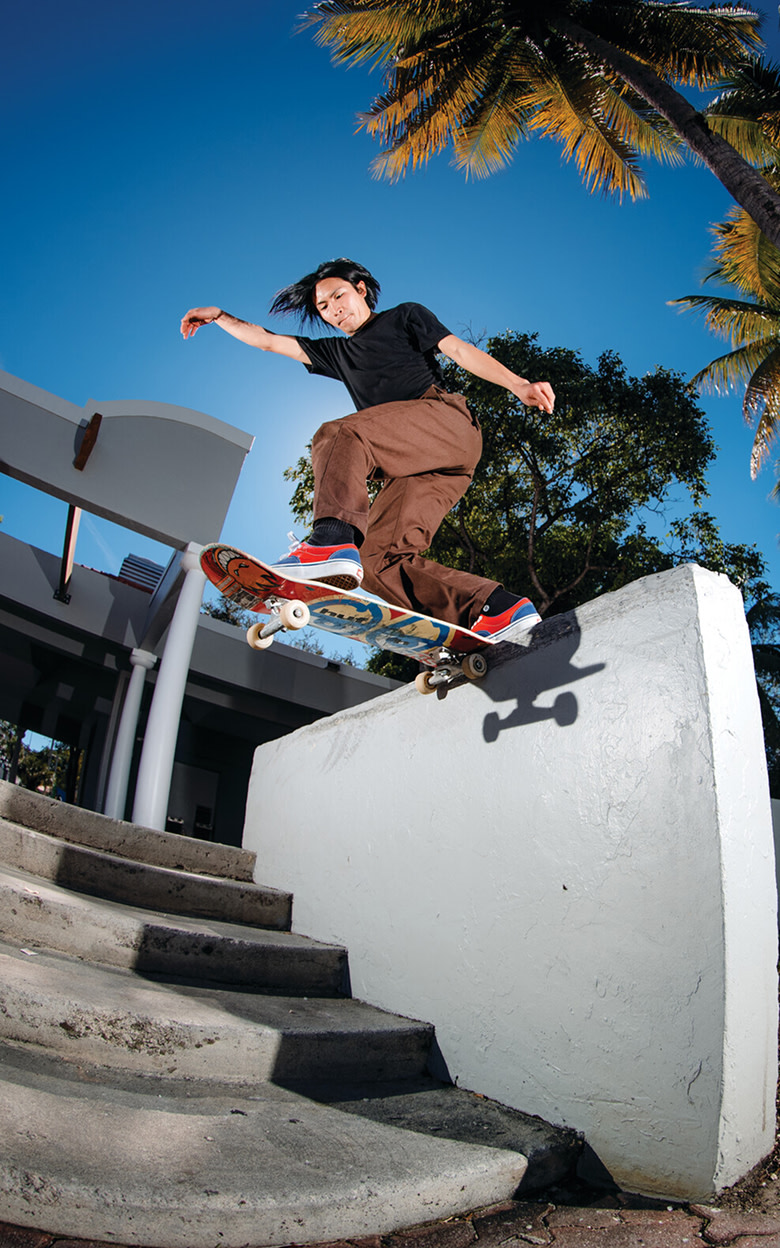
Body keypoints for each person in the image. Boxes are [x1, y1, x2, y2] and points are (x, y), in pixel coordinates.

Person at [180, 258, 555, 639]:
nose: (335, 310)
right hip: (417, 464)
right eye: (324, 308)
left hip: (446, 424)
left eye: (338, 296)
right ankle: (494, 609)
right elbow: (268, 341)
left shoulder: (404, 316)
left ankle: (330, 540)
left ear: (361, 289)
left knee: (340, 434)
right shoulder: (337, 354)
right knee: (377, 563)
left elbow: (459, 350)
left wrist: (518, 384)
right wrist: (220, 317)